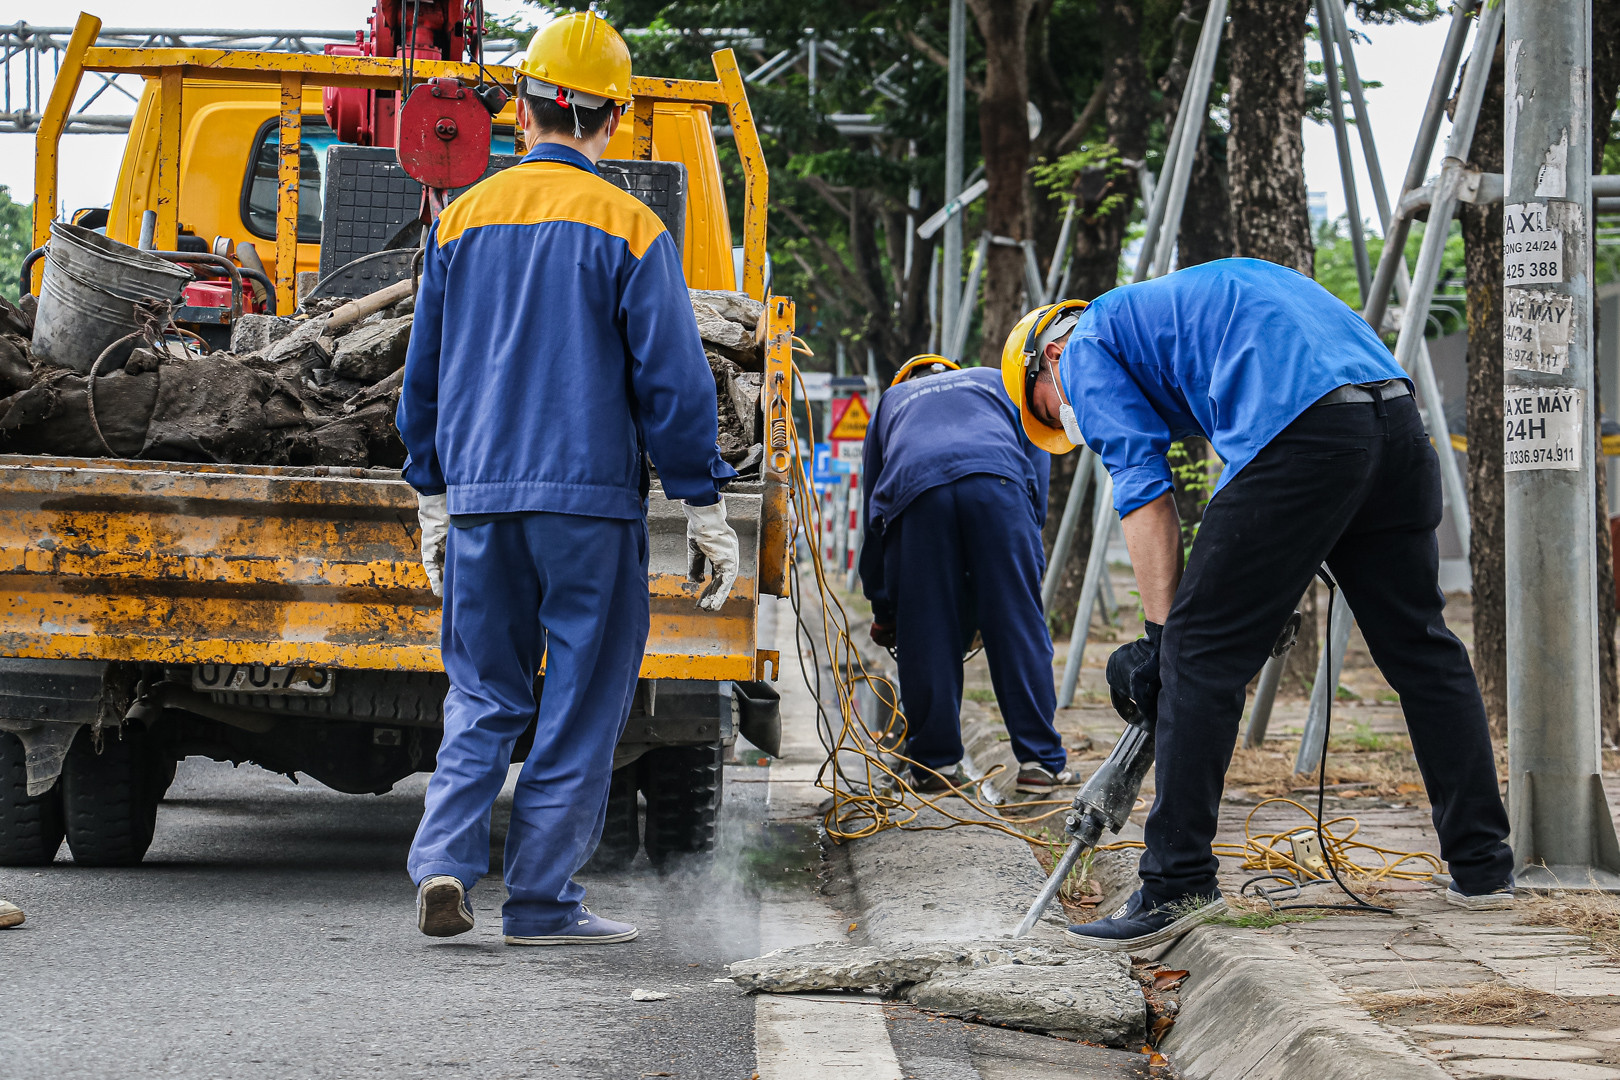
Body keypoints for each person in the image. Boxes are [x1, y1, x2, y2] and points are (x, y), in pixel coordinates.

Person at [1001, 258, 1515, 952]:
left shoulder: (1087, 345)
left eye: (1050, 406)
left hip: (1305, 435)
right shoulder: (1179, 313)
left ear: (1049, 356)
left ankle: (1177, 880)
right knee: (1423, 650)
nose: (1069, 418)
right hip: (1394, 420)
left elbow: (1145, 493)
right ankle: (1483, 869)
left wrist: (1162, 640)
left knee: (1197, 654)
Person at [397, 11, 739, 946]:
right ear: (613, 120)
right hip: (585, 509)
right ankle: (542, 903)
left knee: (482, 694)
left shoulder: (459, 219)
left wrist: (430, 488)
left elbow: (420, 373)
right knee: (581, 704)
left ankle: (441, 864)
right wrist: (702, 500)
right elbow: (670, 380)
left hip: (478, 502)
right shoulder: (629, 224)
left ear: (524, 113)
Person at [859, 354, 1075, 796]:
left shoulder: (890, 402)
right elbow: (1037, 455)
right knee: (1018, 627)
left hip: (916, 499)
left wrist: (885, 607)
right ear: (953, 370)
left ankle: (935, 769)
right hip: (999, 487)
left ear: (907, 377)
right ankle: (1040, 764)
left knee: (926, 636)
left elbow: (873, 512)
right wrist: (1025, 539)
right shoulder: (996, 381)